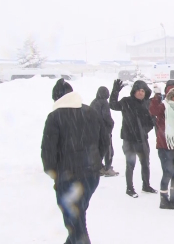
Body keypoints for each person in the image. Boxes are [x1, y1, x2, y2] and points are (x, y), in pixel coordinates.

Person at [41, 78, 110, 244]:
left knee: (75, 223)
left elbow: (48, 152)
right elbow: (105, 140)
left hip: (68, 176)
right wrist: (94, 161)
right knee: (78, 217)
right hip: (91, 176)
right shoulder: (90, 112)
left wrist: (54, 173)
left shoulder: (55, 117)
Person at [109, 79, 157, 198]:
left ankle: (146, 185)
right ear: (134, 92)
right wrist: (115, 91)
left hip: (142, 139)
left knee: (145, 163)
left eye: (143, 91)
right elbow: (113, 105)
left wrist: (145, 129)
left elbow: (151, 121)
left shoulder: (147, 103)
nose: (141, 93)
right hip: (129, 139)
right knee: (130, 164)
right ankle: (129, 188)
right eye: (138, 90)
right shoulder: (126, 101)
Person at [149, 83, 174, 210]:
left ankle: (173, 197)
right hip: (164, 145)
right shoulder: (163, 107)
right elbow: (153, 111)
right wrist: (156, 96)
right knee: (168, 172)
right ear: (170, 97)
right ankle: (163, 200)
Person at [90, 86, 119, 177]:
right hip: (104, 130)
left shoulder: (94, 102)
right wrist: (111, 124)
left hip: (95, 130)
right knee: (109, 150)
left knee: (98, 149)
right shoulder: (104, 103)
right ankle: (108, 168)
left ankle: (99, 167)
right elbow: (106, 116)